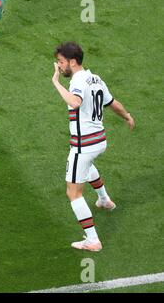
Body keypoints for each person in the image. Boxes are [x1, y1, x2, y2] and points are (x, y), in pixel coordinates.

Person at [52, 42, 135, 252]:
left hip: (84, 144)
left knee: (73, 193)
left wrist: (56, 82)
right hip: (99, 141)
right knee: (87, 167)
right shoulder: (95, 78)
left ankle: (92, 240)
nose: (59, 67)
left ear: (72, 61)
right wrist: (127, 116)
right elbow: (112, 102)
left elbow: (75, 102)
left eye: (61, 62)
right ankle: (104, 200)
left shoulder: (78, 80)